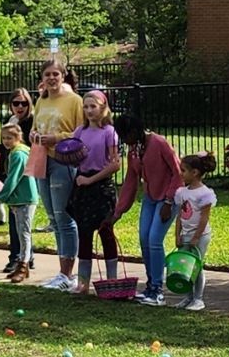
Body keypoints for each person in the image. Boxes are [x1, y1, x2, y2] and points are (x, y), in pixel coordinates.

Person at [112, 113, 182, 305]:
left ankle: (158, 290)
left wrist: (169, 202)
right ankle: (150, 285)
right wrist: (118, 211)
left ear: (134, 131)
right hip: (151, 198)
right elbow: (130, 181)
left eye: (125, 136)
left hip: (168, 197)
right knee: (144, 238)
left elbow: (178, 173)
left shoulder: (159, 143)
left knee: (154, 239)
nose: (125, 141)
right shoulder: (134, 150)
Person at [30, 62, 84, 290]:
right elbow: (35, 125)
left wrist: (57, 138)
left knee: (64, 218)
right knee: (53, 218)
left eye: (56, 74)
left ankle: (67, 274)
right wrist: (34, 134)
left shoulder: (74, 101)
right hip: (43, 159)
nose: (52, 78)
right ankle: (62, 272)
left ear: (63, 76)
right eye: (47, 74)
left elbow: (82, 132)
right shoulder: (42, 99)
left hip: (64, 160)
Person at [68, 90, 122, 296]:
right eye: (86, 106)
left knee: (105, 231)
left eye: (94, 106)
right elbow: (71, 156)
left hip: (101, 187)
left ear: (103, 107)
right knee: (84, 233)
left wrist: (91, 179)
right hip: (82, 187)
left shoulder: (109, 132)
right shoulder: (79, 131)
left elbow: (115, 164)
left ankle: (112, 280)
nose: (89, 110)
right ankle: (83, 283)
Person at [172, 151, 217, 311]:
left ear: (195, 172)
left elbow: (204, 218)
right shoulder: (182, 192)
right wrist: (177, 235)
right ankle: (188, 297)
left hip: (200, 237)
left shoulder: (204, 194)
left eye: (183, 170)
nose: (180, 173)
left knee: (196, 266)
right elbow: (180, 216)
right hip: (186, 236)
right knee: (184, 266)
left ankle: (198, 299)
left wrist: (196, 237)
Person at [0, 120, 38, 283]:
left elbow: (13, 178)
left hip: (25, 198)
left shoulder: (18, 154)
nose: (6, 141)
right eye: (4, 138)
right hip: (19, 198)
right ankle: (22, 264)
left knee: (24, 234)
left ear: (18, 137)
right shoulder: (16, 152)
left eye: (9, 138)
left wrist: (1, 197)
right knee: (22, 234)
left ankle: (23, 265)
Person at [0, 88, 35, 272]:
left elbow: (20, 167)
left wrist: (3, 194)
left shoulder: (32, 122)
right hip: (13, 178)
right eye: (16, 103)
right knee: (19, 223)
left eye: (24, 103)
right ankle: (23, 256)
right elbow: (4, 152)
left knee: (22, 224)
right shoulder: (10, 123)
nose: (20, 107)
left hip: (25, 179)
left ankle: (21, 258)